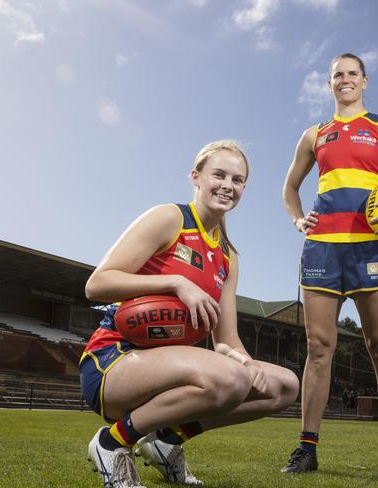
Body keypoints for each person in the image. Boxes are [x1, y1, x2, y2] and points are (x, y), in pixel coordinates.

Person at [80, 140, 299, 488]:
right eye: (220, 175)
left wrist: (247, 363)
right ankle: (111, 443)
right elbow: (96, 285)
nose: (228, 185)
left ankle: (167, 442)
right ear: (196, 177)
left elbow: (226, 340)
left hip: (171, 371)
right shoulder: (170, 218)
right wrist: (176, 282)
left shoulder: (228, 256)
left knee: (284, 386)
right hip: (113, 361)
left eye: (238, 180)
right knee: (231, 378)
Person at [281, 53, 378, 480]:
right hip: (322, 247)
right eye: (337, 75)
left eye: (351, 74)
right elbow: (290, 187)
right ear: (330, 85)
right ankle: (307, 449)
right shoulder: (315, 134)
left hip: (370, 248)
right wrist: (296, 218)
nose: (344, 80)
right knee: (319, 348)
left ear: (365, 81)